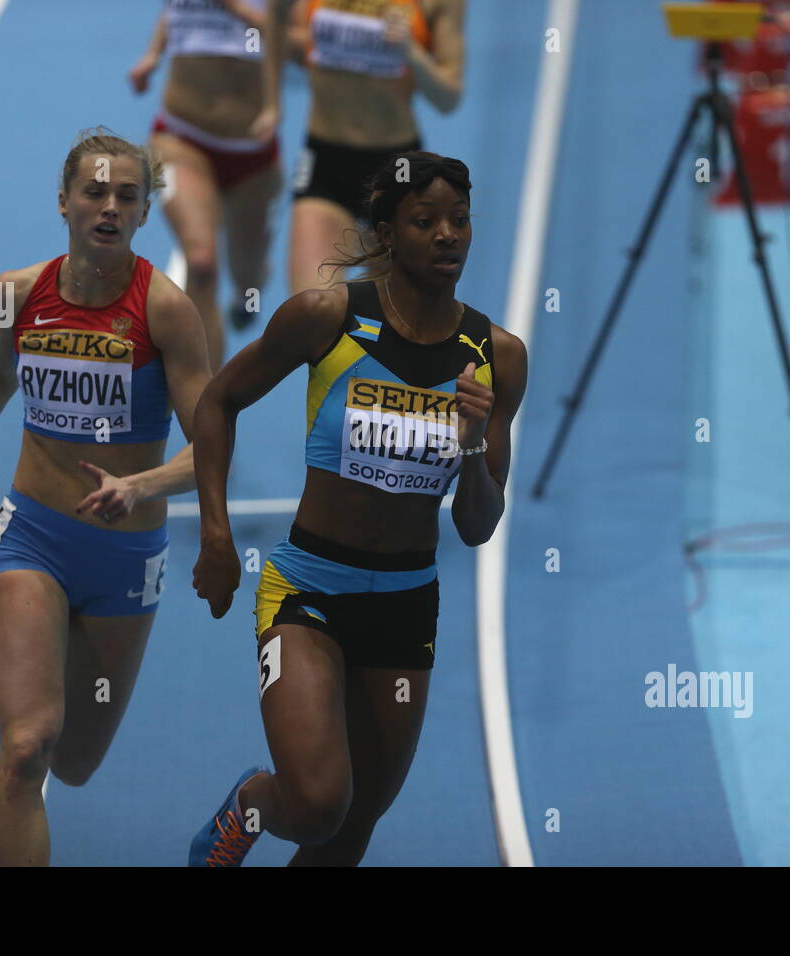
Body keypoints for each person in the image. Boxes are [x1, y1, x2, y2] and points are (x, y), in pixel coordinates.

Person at [188, 151, 527, 866]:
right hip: (310, 589)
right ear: (385, 233)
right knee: (315, 805)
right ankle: (251, 802)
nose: (448, 236)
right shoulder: (328, 317)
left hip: (406, 604)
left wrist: (470, 448)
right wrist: (216, 538)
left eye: (460, 221)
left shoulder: (497, 356)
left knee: (350, 832)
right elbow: (218, 401)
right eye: (425, 220)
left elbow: (476, 526)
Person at [0, 129, 211, 866]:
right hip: (32, 536)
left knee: (75, 762)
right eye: (94, 192)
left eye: (127, 195)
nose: (109, 206)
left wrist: (138, 484)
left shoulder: (165, 311)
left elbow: (214, 449)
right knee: (25, 749)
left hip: (126, 555)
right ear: (64, 202)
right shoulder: (20, 292)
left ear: (144, 212)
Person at [256, 0, 465, 295]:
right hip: (325, 162)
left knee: (389, 323)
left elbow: (449, 97)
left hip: (397, 174)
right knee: (312, 307)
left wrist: (412, 54)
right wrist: (271, 103)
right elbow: (277, 14)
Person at [130, 0, 282, 371]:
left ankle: (250, 288)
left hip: (252, 153)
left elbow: (295, 43)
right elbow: (175, 12)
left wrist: (238, 9)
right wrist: (152, 54)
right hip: (182, 137)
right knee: (201, 264)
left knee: (246, 276)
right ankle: (206, 403)